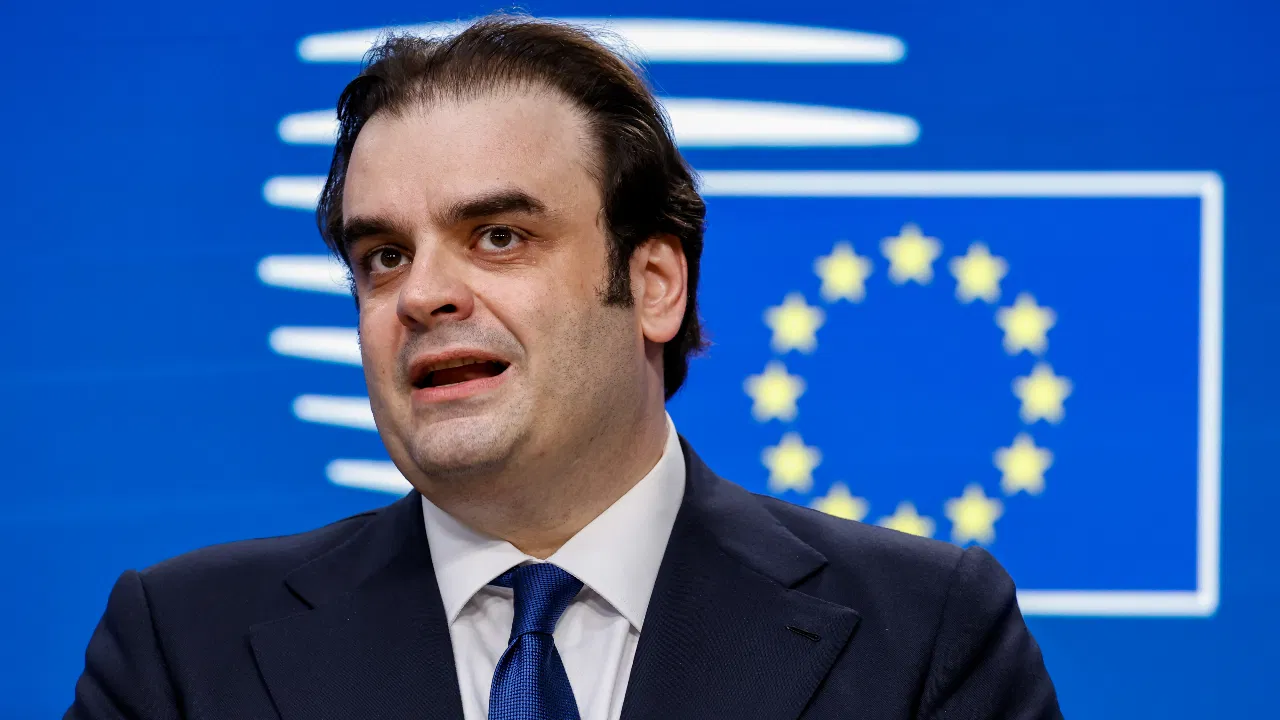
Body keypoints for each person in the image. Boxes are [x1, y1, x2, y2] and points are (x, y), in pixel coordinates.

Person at [66, 15, 1061, 720]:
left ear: (655, 286)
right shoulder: (181, 651)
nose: (422, 295)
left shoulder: (922, 636)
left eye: (498, 236)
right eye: (383, 256)